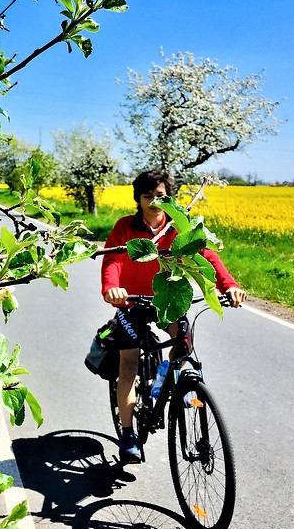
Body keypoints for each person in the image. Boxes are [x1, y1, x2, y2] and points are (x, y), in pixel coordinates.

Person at [101, 170, 246, 463]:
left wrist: (228, 285)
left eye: (161, 196)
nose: (155, 202)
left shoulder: (180, 226)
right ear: (138, 199)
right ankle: (128, 434)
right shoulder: (125, 227)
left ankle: (165, 386)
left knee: (184, 347)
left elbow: (208, 256)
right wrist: (112, 287)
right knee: (128, 363)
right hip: (131, 302)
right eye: (147, 196)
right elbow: (112, 259)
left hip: (168, 298)